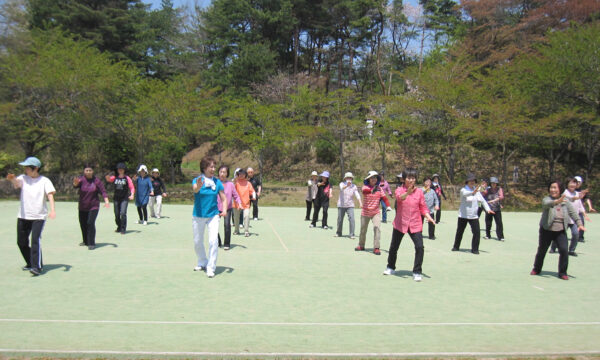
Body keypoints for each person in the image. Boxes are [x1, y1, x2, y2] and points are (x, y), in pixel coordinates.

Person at [6, 157, 56, 276]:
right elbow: (17, 184)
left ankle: (36, 267)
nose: (26, 169)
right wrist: (12, 179)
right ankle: (30, 262)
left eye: (28, 167)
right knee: (21, 242)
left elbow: (50, 195)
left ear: (36, 168)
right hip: (23, 215)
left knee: (35, 240)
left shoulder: (45, 180)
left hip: (38, 216)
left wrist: (52, 210)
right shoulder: (23, 178)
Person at [383, 168, 435, 281]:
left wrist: (428, 216)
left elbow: (423, 207)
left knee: (420, 247)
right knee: (394, 247)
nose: (411, 180)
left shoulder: (420, 192)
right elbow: (399, 198)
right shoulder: (399, 189)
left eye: (413, 178)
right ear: (404, 179)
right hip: (400, 223)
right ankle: (390, 266)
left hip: (415, 223)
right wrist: (408, 193)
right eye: (408, 178)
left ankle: (417, 271)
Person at [531, 181, 585, 280]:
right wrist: (557, 201)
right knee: (542, 250)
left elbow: (573, 213)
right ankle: (536, 268)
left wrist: (580, 224)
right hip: (546, 229)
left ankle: (563, 272)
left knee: (564, 250)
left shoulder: (566, 201)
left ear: (560, 189)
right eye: (551, 188)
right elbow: (546, 204)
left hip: (560, 230)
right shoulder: (546, 199)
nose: (553, 190)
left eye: (555, 188)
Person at [192, 156, 227, 278]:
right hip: (198, 215)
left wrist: (224, 209)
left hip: (213, 215)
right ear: (204, 168)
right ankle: (202, 261)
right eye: (211, 166)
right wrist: (199, 186)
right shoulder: (197, 180)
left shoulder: (217, 182)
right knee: (197, 242)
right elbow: (195, 190)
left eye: (214, 166)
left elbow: (223, 197)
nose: (213, 169)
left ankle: (211, 267)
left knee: (213, 241)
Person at [452, 173, 494, 254]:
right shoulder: (463, 190)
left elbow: (482, 201)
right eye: (470, 181)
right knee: (460, 232)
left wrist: (488, 209)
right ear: (467, 182)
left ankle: (475, 249)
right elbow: (465, 194)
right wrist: (472, 192)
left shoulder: (477, 191)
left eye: (473, 181)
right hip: (463, 215)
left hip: (474, 216)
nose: (472, 182)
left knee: (477, 233)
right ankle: (456, 246)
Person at [550, 177, 590, 256]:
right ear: (567, 184)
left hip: (573, 219)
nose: (573, 184)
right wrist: (576, 197)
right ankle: (553, 247)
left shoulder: (577, 193)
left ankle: (571, 250)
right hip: (564, 218)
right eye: (571, 183)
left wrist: (585, 215)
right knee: (558, 233)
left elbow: (580, 206)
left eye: (574, 183)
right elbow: (569, 199)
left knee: (575, 234)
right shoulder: (564, 193)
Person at [73, 164, 109, 250]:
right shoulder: (81, 180)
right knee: (83, 224)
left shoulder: (97, 181)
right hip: (82, 206)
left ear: (93, 171)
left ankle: (91, 243)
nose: (88, 172)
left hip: (93, 206)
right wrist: (75, 183)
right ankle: (85, 241)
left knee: (90, 223)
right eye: (87, 170)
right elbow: (75, 186)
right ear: (84, 171)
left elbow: (103, 191)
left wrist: (106, 201)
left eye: (90, 170)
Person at [356, 171, 391, 255]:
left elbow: (384, 198)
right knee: (363, 229)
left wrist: (388, 206)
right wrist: (372, 190)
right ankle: (361, 245)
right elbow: (365, 192)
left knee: (377, 228)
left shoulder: (380, 188)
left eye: (375, 178)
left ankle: (376, 247)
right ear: (368, 179)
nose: (373, 179)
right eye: (372, 178)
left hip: (375, 212)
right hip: (365, 212)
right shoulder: (365, 187)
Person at [105, 163, 134, 234]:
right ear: (117, 170)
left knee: (123, 213)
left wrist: (132, 194)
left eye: (122, 169)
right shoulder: (115, 177)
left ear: (124, 170)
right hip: (116, 198)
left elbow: (132, 187)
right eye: (119, 169)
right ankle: (119, 226)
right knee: (117, 214)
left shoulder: (127, 178)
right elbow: (109, 180)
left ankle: (123, 228)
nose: (120, 170)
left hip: (124, 198)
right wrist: (107, 178)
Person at [217, 165, 241, 250]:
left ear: (227, 174)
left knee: (227, 225)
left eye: (224, 172)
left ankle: (226, 244)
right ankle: (218, 241)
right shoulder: (215, 183)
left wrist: (239, 203)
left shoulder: (230, 184)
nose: (222, 174)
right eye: (221, 172)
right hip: (216, 208)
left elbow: (236, 196)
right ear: (218, 173)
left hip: (227, 208)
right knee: (214, 226)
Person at [335, 172, 362, 238]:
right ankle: (338, 233)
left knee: (352, 219)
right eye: (347, 178)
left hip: (350, 205)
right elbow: (342, 188)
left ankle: (352, 234)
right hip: (341, 205)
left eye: (350, 178)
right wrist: (347, 185)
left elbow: (357, 195)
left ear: (352, 179)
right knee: (340, 219)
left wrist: (360, 203)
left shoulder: (354, 186)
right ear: (345, 178)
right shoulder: (342, 184)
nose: (349, 179)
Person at [233, 169, 255, 237]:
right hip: (236, 204)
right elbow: (231, 188)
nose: (241, 175)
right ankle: (236, 230)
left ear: (245, 175)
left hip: (246, 204)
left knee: (247, 216)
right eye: (240, 174)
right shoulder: (236, 182)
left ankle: (246, 231)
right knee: (236, 218)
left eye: (243, 174)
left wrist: (254, 196)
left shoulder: (248, 183)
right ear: (238, 175)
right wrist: (234, 179)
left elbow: (253, 191)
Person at [483, 177, 505, 241]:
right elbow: (482, 193)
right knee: (488, 222)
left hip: (496, 208)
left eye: (494, 183)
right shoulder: (488, 189)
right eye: (492, 183)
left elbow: (501, 197)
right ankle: (488, 235)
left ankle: (500, 236)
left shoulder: (499, 189)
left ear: (496, 183)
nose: (493, 184)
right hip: (489, 208)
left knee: (499, 223)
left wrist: (493, 201)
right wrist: (482, 186)